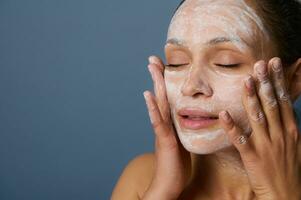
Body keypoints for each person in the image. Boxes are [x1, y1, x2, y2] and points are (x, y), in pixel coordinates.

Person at [111, 0, 301, 199]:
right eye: (177, 62)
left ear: (294, 80)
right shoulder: (142, 179)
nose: (190, 86)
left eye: (227, 63)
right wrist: (161, 191)